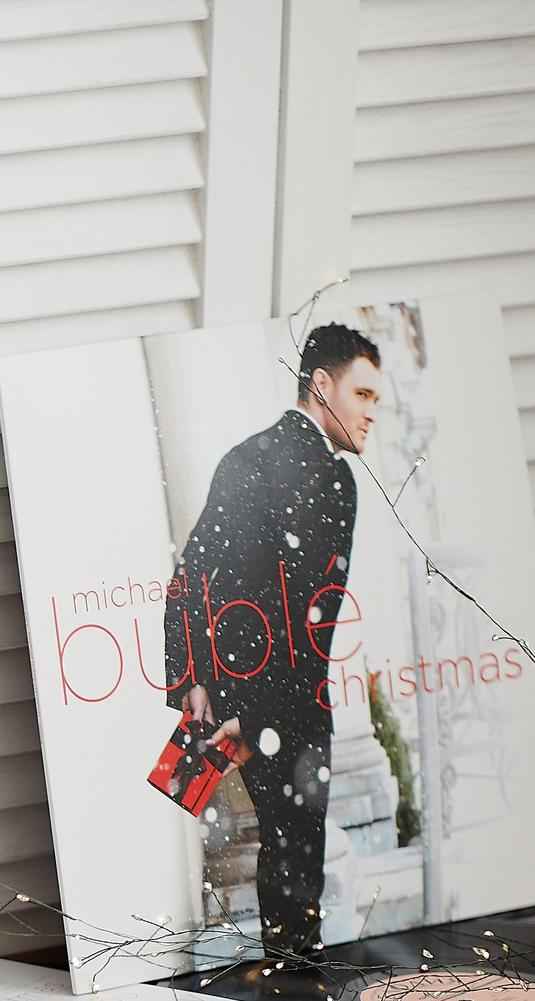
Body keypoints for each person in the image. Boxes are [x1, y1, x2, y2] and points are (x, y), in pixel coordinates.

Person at [165, 324, 381, 958]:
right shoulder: (335, 481)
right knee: (294, 864)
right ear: (321, 385)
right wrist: (251, 711)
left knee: (282, 858)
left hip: (239, 698)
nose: (371, 414)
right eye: (363, 395)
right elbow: (311, 623)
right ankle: (295, 992)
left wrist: (195, 683)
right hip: (284, 704)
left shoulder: (245, 455)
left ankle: (287, 983)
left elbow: (190, 575)